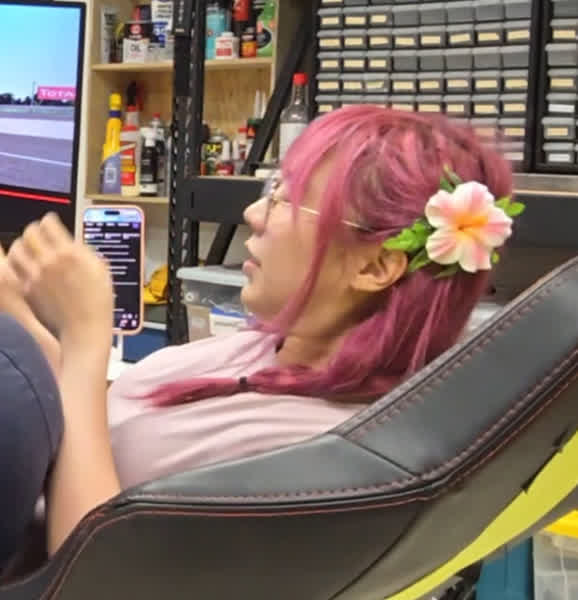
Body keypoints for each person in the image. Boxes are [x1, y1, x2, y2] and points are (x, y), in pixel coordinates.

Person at [4, 106, 520, 553]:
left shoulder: (314, 456)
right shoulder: (264, 348)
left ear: (375, 266)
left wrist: (87, 335)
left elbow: (96, 570)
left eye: (284, 199)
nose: (253, 213)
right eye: (270, 189)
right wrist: (19, 309)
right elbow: (91, 419)